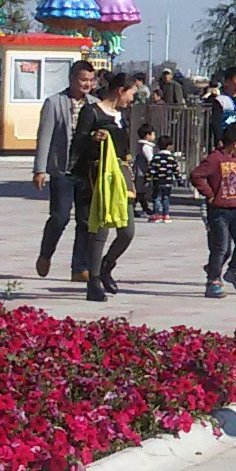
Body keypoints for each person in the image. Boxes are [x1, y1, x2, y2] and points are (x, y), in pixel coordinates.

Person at [72, 71, 139, 301]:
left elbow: (125, 149)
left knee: (127, 230)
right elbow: (78, 143)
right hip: (97, 176)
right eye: (131, 94)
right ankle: (93, 281)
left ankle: (106, 265)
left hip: (120, 177)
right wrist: (93, 138)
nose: (132, 100)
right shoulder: (91, 112)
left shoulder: (123, 117)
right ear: (120, 91)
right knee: (100, 229)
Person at [30, 59, 97, 282]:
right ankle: (46, 253)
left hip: (85, 172)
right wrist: (39, 169)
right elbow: (45, 137)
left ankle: (79, 267)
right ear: (72, 79)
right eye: (82, 80)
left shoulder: (95, 104)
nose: (86, 84)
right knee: (60, 217)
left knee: (85, 221)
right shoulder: (54, 103)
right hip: (62, 170)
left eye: (90, 80)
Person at [193, 130, 236, 298]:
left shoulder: (235, 158)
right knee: (221, 247)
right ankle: (213, 281)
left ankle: (234, 271)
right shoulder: (214, 159)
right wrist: (210, 194)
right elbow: (196, 176)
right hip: (219, 210)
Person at [136, 126, 180, 223]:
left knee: (157, 198)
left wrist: (147, 179)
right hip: (168, 182)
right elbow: (176, 170)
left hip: (157, 181)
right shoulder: (171, 158)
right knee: (166, 198)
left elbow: (151, 169)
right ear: (170, 146)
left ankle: (155, 215)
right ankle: (166, 215)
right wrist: (179, 180)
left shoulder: (156, 158)